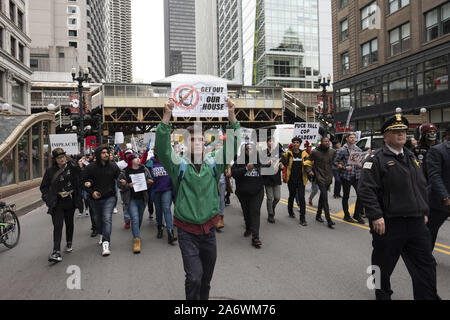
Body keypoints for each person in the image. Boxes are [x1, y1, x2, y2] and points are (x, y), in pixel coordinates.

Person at [155, 98, 239, 300]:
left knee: (206, 279)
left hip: (209, 231)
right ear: (187, 143)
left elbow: (232, 147)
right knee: (194, 277)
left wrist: (231, 115)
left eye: (201, 140)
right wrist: (166, 117)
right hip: (187, 232)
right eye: (193, 140)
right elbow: (163, 150)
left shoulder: (213, 164)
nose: (198, 143)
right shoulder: (178, 165)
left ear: (205, 142)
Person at [358, 114, 440, 300]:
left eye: (403, 131)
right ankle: (382, 295)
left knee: (426, 265)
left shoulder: (411, 156)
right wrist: (376, 216)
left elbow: (420, 185)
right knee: (381, 267)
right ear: (385, 135)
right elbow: (366, 189)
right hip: (389, 223)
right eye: (396, 131)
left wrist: (424, 210)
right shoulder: (375, 159)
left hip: (416, 223)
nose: (401, 134)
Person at [40, 148, 83, 263]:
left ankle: (69, 242)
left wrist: (73, 162)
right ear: (55, 160)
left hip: (70, 200)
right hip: (57, 202)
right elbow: (43, 187)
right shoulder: (50, 171)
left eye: (63, 156)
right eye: (59, 157)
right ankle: (56, 251)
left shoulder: (72, 168)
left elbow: (80, 175)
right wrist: (47, 198)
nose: (62, 158)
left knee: (69, 223)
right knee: (57, 225)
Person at [82, 146, 121, 257]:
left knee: (107, 218)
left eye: (107, 152)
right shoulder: (90, 167)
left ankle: (106, 242)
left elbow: (120, 177)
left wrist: (123, 181)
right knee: (97, 220)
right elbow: (82, 181)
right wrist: (90, 191)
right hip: (95, 198)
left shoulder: (113, 166)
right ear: (99, 155)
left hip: (109, 197)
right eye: (103, 153)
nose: (106, 154)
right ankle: (101, 232)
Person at [232, 143, 268, 248]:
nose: (249, 151)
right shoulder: (239, 161)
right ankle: (248, 228)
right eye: (247, 149)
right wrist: (245, 169)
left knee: (255, 212)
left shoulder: (259, 160)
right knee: (246, 212)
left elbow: (267, 171)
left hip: (257, 192)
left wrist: (273, 165)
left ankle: (255, 237)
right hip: (243, 193)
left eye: (251, 149)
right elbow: (234, 173)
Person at [118, 154, 153, 253]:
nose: (138, 159)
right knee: (135, 218)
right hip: (131, 199)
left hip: (142, 198)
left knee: (139, 219)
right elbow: (119, 184)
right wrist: (127, 185)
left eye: (138, 157)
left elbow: (149, 180)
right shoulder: (125, 171)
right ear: (130, 161)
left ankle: (135, 231)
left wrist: (149, 182)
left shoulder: (144, 169)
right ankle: (136, 240)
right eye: (136, 158)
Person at [145, 152, 178, 244]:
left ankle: (170, 233)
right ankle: (160, 228)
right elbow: (145, 175)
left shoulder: (169, 161)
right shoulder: (150, 163)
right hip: (156, 190)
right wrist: (148, 180)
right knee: (158, 211)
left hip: (167, 189)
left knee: (167, 209)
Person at [304, 137, 336, 229]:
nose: (327, 143)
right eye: (325, 141)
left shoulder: (332, 152)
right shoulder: (315, 152)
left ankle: (318, 215)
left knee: (322, 196)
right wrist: (309, 170)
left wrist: (340, 164)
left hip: (329, 178)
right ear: (321, 143)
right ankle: (329, 220)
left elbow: (337, 160)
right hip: (319, 177)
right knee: (325, 198)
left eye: (328, 141)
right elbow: (307, 162)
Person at [426, 125, 450, 249]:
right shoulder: (437, 150)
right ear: (447, 135)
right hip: (440, 201)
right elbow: (434, 176)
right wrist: (445, 196)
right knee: (430, 231)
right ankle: (425, 258)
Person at [333, 132, 365, 224]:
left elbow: (361, 161)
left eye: (354, 138)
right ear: (347, 139)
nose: (352, 139)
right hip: (346, 176)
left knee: (361, 194)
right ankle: (346, 215)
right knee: (346, 196)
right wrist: (344, 167)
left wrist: (360, 164)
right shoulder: (342, 150)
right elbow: (335, 162)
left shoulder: (358, 149)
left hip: (357, 175)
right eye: (351, 137)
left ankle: (357, 214)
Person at [282, 137, 309, 225]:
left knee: (302, 198)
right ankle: (290, 211)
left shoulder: (304, 154)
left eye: (297, 142)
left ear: (300, 144)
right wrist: (281, 165)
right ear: (292, 143)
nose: (295, 144)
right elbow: (282, 161)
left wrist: (310, 171)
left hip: (301, 180)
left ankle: (302, 218)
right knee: (292, 196)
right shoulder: (288, 154)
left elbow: (308, 163)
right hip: (291, 180)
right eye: (294, 142)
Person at [262, 136, 284, 224]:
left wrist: (282, 166)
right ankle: (270, 214)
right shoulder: (263, 153)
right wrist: (266, 164)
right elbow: (261, 165)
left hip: (276, 178)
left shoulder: (278, 152)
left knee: (277, 197)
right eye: (270, 141)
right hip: (267, 178)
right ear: (267, 143)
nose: (271, 143)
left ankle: (272, 207)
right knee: (269, 198)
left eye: (273, 141)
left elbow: (282, 161)